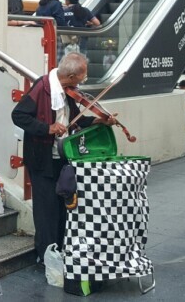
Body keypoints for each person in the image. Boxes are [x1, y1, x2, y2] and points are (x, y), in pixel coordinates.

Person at [11, 53, 117, 262]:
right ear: (69, 76)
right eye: (81, 78)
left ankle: (59, 250)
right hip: (41, 158)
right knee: (46, 209)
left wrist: (98, 121)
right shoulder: (42, 88)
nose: (81, 83)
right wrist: (47, 128)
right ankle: (45, 255)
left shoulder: (67, 92)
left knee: (62, 205)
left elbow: (74, 121)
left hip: (62, 155)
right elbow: (18, 115)